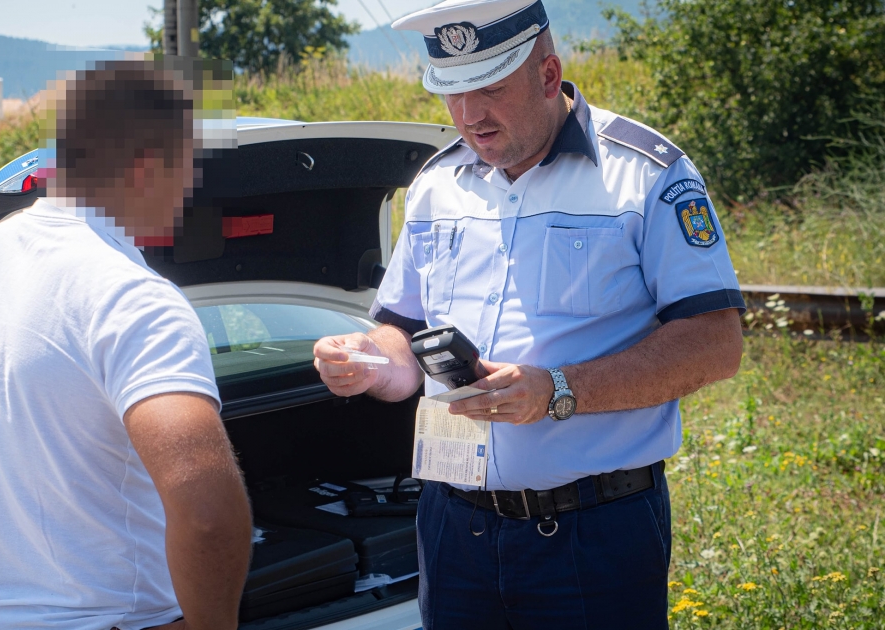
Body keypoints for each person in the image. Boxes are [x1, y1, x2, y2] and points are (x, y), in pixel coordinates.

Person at [312, 0, 745, 627]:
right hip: (451, 525)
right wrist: (373, 363)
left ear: (548, 74)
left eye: (488, 88)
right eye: (450, 93)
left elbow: (715, 344)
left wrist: (559, 391)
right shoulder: (437, 185)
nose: (468, 115)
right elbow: (402, 336)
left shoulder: (644, 174)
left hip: (592, 530)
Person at [0, 58, 252, 630]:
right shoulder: (136, 300)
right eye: (188, 165)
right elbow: (209, 514)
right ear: (148, 165)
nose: (191, 186)